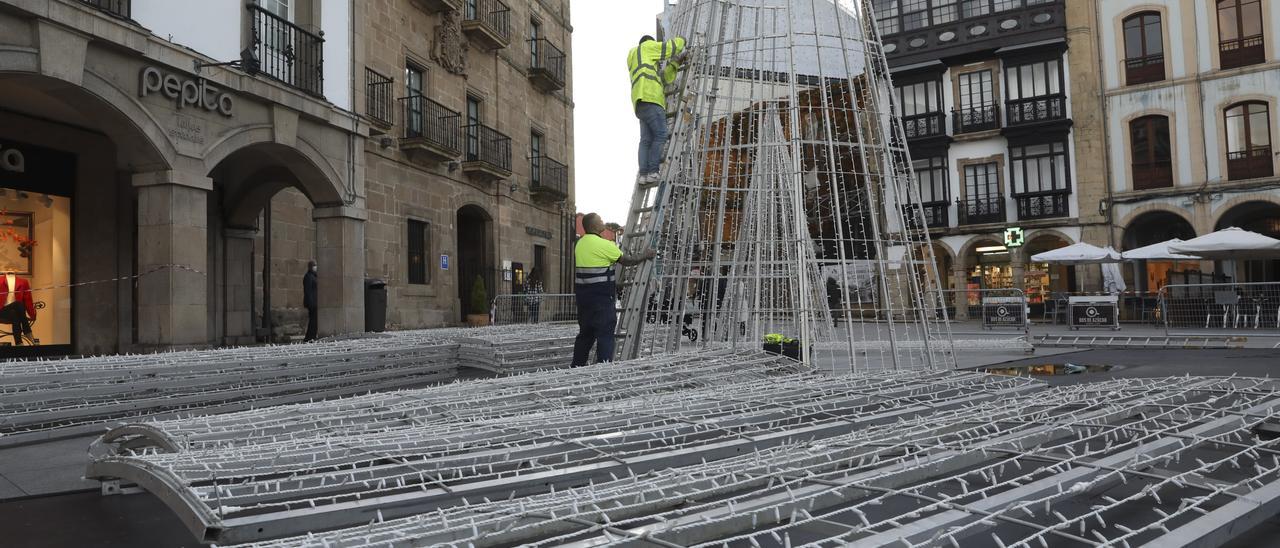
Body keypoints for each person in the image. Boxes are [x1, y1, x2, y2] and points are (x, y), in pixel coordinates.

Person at [572, 213, 655, 366]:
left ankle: (576, 368)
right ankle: (603, 369)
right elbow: (627, 260)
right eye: (600, 220)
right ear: (594, 226)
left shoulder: (580, 244)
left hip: (583, 300)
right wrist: (645, 255)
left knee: (585, 335)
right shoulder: (604, 245)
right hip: (602, 299)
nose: (603, 221)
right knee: (605, 334)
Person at [627, 34, 687, 184]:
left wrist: (674, 64)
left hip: (640, 102)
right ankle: (653, 171)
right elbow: (669, 48)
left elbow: (663, 78)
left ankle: (643, 174)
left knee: (646, 140)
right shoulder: (647, 47)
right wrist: (682, 41)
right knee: (661, 134)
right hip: (651, 98)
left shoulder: (638, 60)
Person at [0, 270, 35, 345]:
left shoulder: (23, 282)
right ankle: (27, 331)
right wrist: (32, 315)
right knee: (19, 304)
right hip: (1, 311)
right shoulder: (0, 280)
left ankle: (19, 343)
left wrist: (32, 314)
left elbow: (28, 299)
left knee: (14, 313)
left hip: (15, 312)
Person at [303, 260, 318, 342]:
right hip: (312, 302)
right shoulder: (308, 276)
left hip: (315, 302)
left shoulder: (314, 276)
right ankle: (309, 337)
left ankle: (312, 336)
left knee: (314, 321)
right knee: (313, 320)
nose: (315, 267)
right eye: (314, 265)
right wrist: (310, 303)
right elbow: (308, 291)